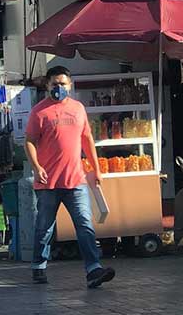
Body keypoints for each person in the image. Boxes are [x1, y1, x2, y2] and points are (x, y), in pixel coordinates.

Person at [25, 65, 115, 289]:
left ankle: (93, 269)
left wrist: (96, 169)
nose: (59, 88)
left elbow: (87, 140)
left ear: (70, 85)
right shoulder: (39, 112)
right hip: (48, 182)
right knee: (44, 226)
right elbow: (29, 141)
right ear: (47, 85)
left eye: (63, 84)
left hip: (76, 180)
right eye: (55, 84)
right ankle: (39, 266)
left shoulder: (78, 109)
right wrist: (36, 167)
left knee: (84, 224)